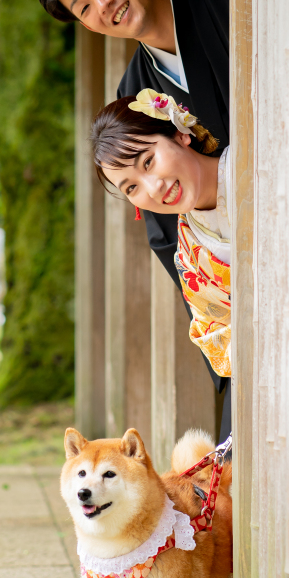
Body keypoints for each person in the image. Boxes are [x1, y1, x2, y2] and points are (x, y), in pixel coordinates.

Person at [37, 0, 231, 431]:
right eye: (83, 7)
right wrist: (218, 315)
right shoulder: (135, 94)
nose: (102, 5)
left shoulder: (235, 1)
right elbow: (167, 234)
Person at [90, 90, 232, 385]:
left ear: (180, 133)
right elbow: (218, 344)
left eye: (148, 162)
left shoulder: (260, 169)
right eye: (131, 188)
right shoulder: (188, 253)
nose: (153, 189)